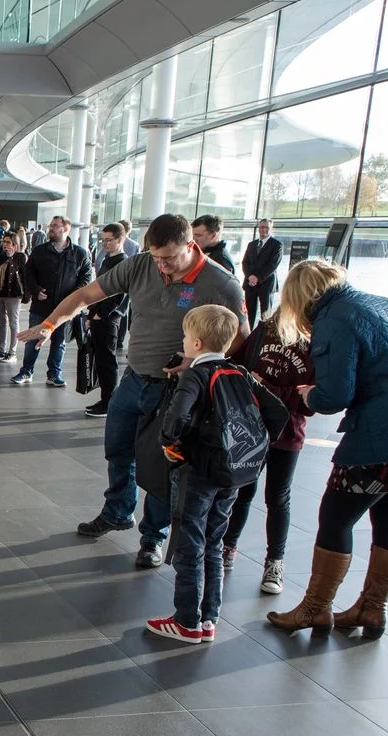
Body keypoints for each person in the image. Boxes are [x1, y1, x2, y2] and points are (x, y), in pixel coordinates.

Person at [18, 214, 249, 570]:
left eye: (169, 258)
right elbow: (86, 295)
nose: (162, 265)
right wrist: (51, 324)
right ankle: (117, 512)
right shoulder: (141, 266)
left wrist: (196, 360)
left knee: (160, 466)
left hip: (178, 390)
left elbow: (240, 340)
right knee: (118, 449)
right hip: (134, 378)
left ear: (191, 245)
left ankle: (152, 537)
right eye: (156, 256)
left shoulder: (221, 283)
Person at [266, 260, 388, 638]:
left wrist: (308, 393)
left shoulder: (333, 319)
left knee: (336, 516)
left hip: (381, 435)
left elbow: (334, 396)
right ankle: (372, 609)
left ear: (298, 297)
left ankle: (316, 609)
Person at [146, 305, 288, 643]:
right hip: (233, 474)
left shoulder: (195, 375)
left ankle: (186, 621)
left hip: (200, 470)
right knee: (214, 542)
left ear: (195, 342)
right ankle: (209, 618)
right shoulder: (239, 372)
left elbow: (174, 419)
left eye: (184, 336)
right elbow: (278, 413)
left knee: (190, 541)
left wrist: (171, 443)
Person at [219, 309, 314, 594]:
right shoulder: (264, 330)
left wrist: (265, 386)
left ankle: (275, 561)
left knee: (278, 496)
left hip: (287, 433)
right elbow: (237, 367)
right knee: (243, 490)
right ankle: (227, 546)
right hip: (250, 427)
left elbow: (307, 402)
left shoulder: (316, 342)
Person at [13, 215, 93, 388]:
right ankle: (26, 371)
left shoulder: (79, 253)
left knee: (59, 341)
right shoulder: (40, 251)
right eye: (51, 225)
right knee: (33, 338)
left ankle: (54, 374)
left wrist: (73, 297)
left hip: (65, 308)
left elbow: (86, 277)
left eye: (55, 226)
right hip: (41, 305)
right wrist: (35, 290)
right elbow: (28, 273)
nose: (51, 228)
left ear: (66, 229)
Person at [84, 223, 131, 417]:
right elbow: (98, 288)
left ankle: (109, 401)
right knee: (102, 359)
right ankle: (106, 398)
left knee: (107, 360)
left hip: (108, 318)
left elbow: (119, 294)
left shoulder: (124, 262)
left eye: (109, 240)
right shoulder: (107, 260)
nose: (105, 244)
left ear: (120, 239)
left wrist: (100, 313)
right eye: (103, 240)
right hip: (98, 315)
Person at [0, 233, 25, 363]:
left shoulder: (20, 256)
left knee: (13, 322)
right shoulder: (0, 255)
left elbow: (24, 275)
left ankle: (12, 352)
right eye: (4, 242)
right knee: (1, 320)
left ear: (15, 244)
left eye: (8, 242)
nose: (5, 244)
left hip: (13, 294)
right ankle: (2, 349)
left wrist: (26, 295)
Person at [241, 218, 283, 327]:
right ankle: (249, 336)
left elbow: (272, 265)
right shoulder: (252, 245)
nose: (263, 230)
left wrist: (257, 278)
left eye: (266, 227)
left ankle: (263, 336)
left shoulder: (277, 245)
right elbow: (245, 262)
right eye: (261, 227)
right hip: (250, 284)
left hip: (266, 284)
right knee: (249, 312)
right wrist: (250, 276)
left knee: (266, 313)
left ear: (271, 229)